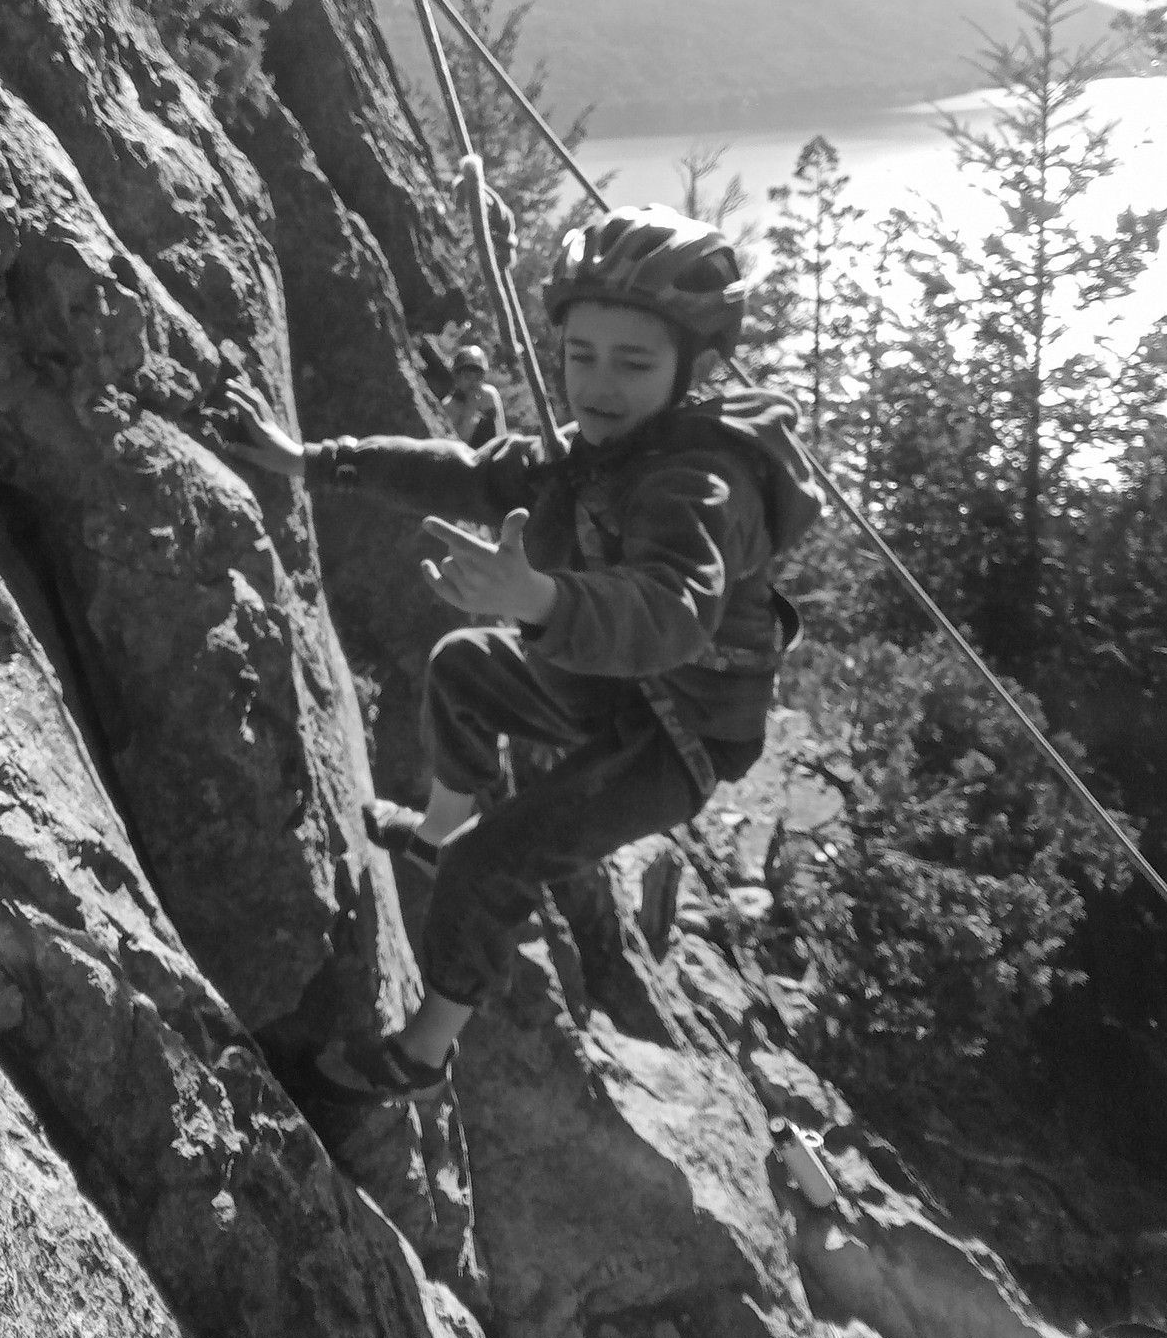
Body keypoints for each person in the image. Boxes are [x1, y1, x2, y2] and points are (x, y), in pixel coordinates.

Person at [215, 205, 823, 1104]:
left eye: (633, 362)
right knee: (465, 662)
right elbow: (468, 473)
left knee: (496, 864)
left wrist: (540, 598)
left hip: (673, 739)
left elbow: (674, 610)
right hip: (618, 686)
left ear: (689, 369)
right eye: (582, 356)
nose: (600, 384)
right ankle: (434, 836)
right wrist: (310, 460)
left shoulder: (698, 481)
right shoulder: (597, 450)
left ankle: (421, 1055)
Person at [442, 344, 506, 448]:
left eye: (478, 377)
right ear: (457, 377)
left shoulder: (488, 395)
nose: (473, 382)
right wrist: (470, 409)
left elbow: (500, 433)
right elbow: (458, 443)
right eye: (467, 377)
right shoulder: (449, 406)